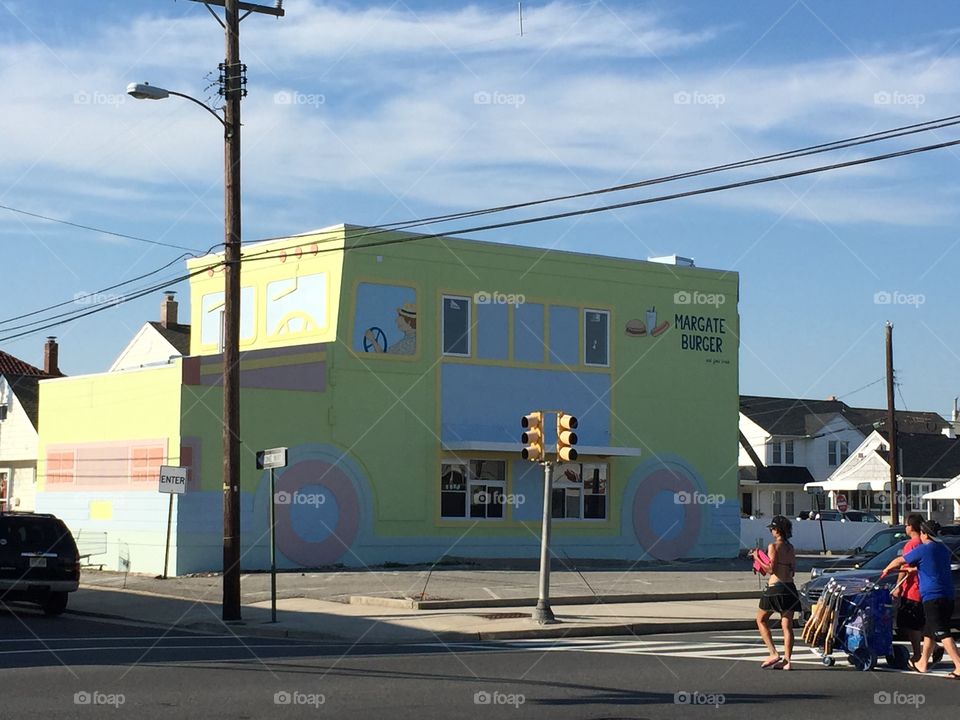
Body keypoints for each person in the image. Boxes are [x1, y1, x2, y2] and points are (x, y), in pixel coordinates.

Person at [881, 520, 960, 677]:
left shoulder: (924, 549)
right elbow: (927, 565)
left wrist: (887, 569)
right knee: (929, 630)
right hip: (948, 595)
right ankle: (922, 663)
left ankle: (958, 665)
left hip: (933, 595)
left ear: (924, 534)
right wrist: (912, 568)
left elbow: (899, 560)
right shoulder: (943, 549)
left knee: (941, 631)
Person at [750, 515, 799, 670]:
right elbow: (792, 571)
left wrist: (757, 557)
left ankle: (773, 653)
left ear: (777, 530)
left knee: (761, 619)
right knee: (787, 626)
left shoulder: (773, 546)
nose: (771, 531)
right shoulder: (791, 548)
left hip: (775, 588)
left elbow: (771, 569)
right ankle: (787, 661)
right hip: (790, 588)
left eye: (772, 528)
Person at [892, 514, 926, 664]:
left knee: (908, 623)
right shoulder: (925, 543)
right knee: (919, 622)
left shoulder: (911, 544)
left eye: (906, 525)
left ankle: (917, 653)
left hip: (911, 588)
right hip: (922, 588)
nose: (905, 527)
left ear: (911, 527)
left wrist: (897, 586)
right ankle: (933, 648)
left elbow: (904, 567)